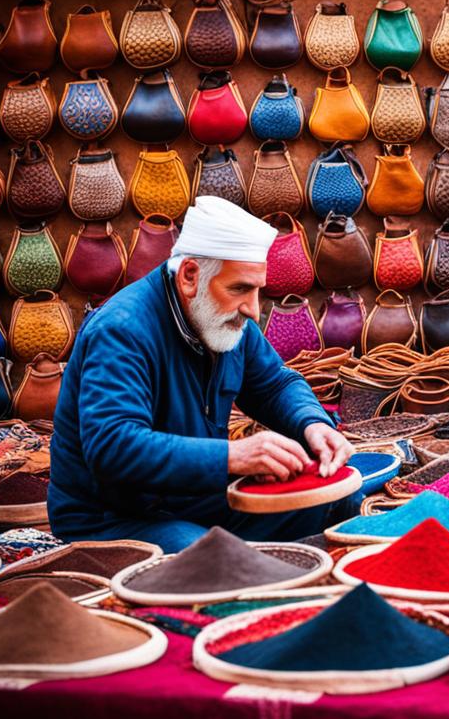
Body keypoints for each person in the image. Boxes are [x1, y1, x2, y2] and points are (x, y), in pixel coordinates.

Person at [48, 197, 358, 553]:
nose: (254, 310)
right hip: (112, 516)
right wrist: (233, 457)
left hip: (192, 498)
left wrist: (313, 424)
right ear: (190, 276)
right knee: (214, 558)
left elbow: (274, 384)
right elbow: (113, 445)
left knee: (339, 501)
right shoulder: (122, 331)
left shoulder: (225, 317)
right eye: (240, 288)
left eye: (257, 290)